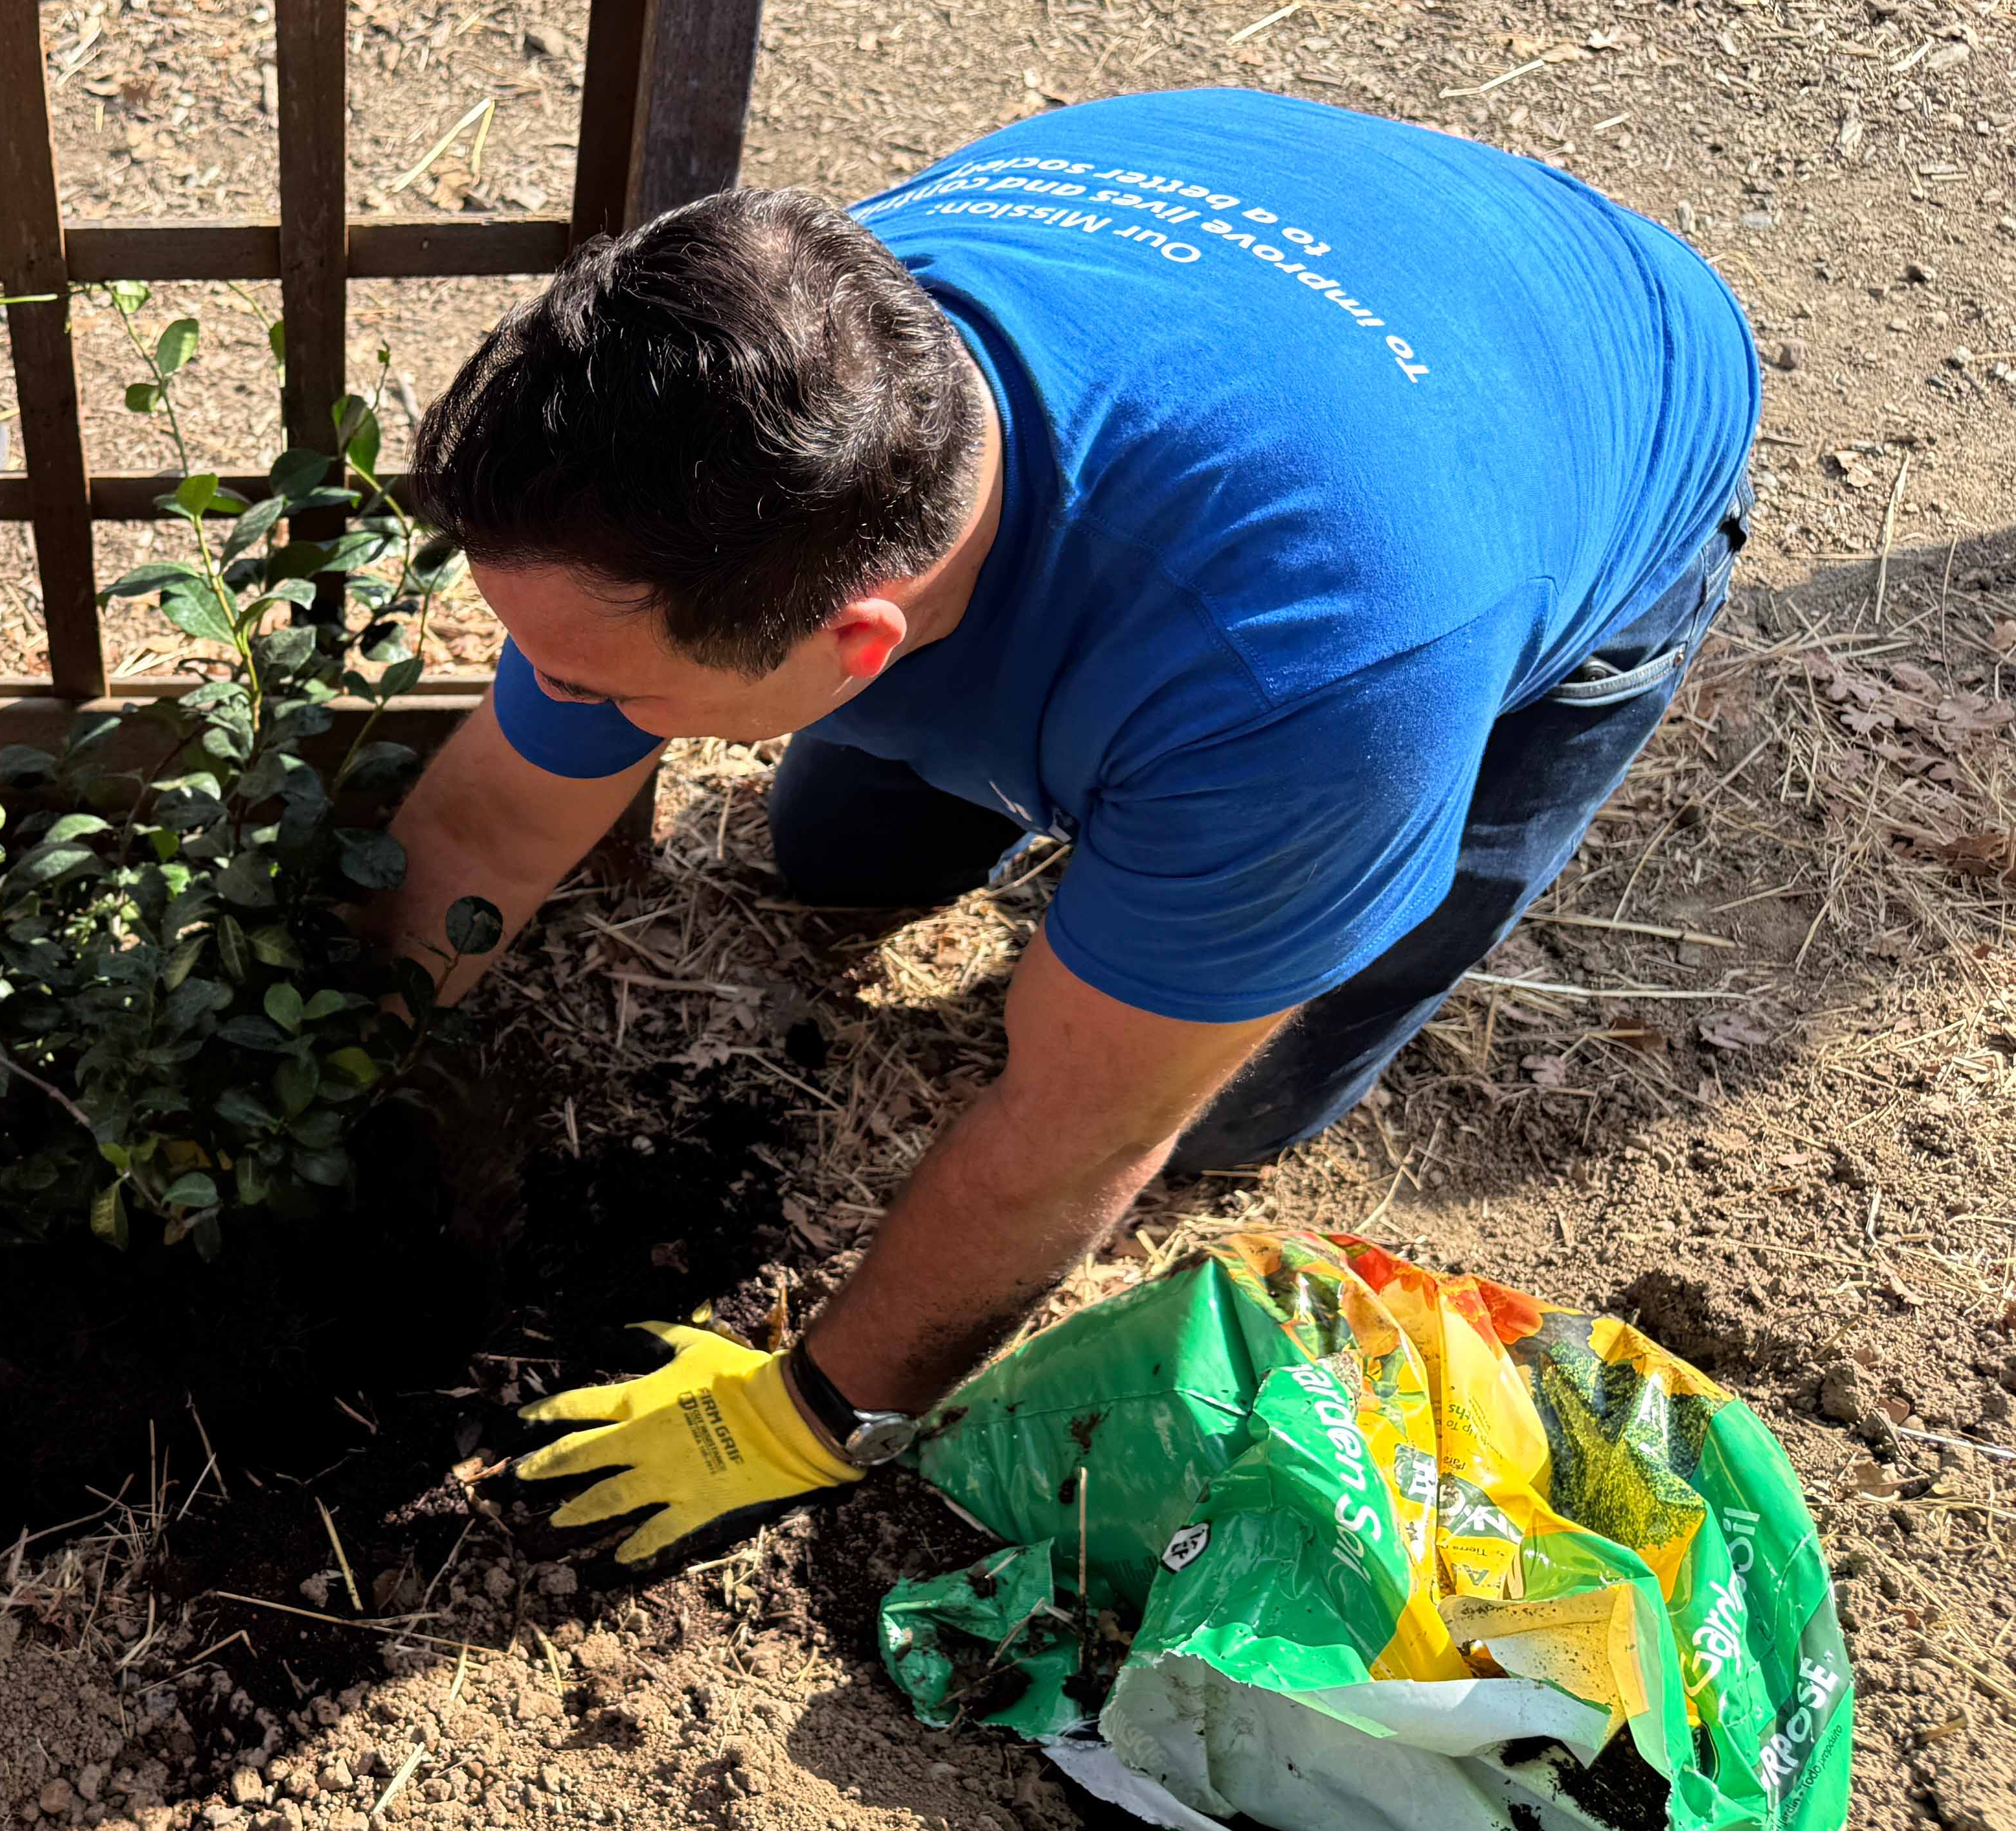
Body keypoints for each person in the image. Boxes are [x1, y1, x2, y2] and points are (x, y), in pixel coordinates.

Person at [370, 88, 1756, 1567]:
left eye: (590, 679)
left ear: (856, 647)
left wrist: (819, 1413)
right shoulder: (767, 400)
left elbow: (1076, 1135)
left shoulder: (1317, 690)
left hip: (1593, 407)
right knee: (835, 863)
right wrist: (350, 1060)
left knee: (1230, 1102)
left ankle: (1178, 880)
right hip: (1278, 228)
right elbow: (494, 826)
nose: (548, 687)